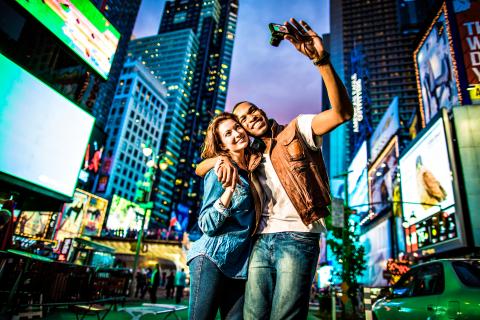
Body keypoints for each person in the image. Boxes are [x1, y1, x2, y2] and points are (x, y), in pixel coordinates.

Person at [196, 18, 353, 319]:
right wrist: (219, 159)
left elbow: (343, 112)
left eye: (252, 110)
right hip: (261, 240)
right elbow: (200, 168)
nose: (249, 117)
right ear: (242, 130)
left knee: (286, 316)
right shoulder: (249, 157)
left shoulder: (296, 131)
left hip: (298, 236)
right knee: (252, 316)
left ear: (261, 112)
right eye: (241, 119)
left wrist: (321, 61)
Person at [187, 113, 257, 319]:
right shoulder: (219, 172)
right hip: (211, 258)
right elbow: (206, 223)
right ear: (223, 145)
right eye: (228, 133)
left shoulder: (254, 169)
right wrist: (228, 191)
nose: (236, 134)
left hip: (240, 264)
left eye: (237, 127)